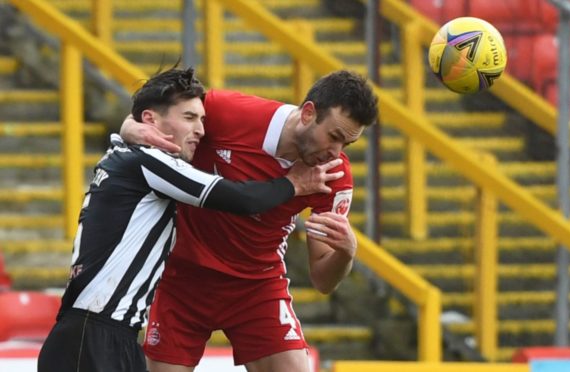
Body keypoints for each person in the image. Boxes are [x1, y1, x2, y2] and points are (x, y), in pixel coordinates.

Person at [37, 66, 344, 372]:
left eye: (202, 119)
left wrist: (130, 124)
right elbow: (241, 199)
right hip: (92, 331)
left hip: (114, 332)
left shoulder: (128, 154)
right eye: (189, 118)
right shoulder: (151, 162)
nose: (201, 129)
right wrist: (294, 184)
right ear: (150, 121)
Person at [121, 69, 379, 372]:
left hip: (256, 287)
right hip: (182, 279)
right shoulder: (226, 111)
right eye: (334, 137)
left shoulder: (333, 175)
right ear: (308, 113)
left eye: (346, 145)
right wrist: (130, 129)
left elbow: (323, 279)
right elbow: (146, 119)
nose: (336, 152)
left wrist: (346, 253)